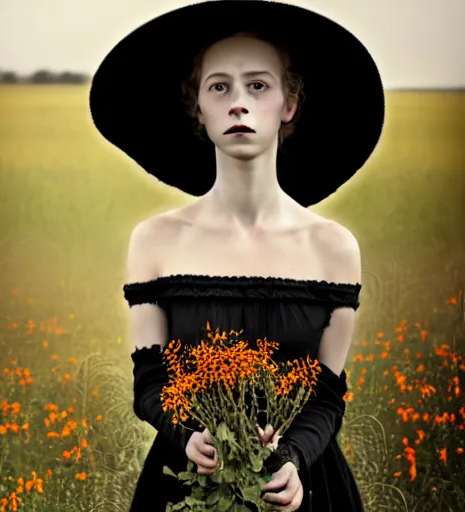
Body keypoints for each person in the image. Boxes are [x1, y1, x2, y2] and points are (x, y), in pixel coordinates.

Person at [90, 1, 384, 510]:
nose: (238, 104)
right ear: (198, 108)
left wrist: (291, 460)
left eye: (258, 85)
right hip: (185, 484)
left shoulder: (333, 247)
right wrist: (188, 437)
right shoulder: (154, 241)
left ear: (289, 105)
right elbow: (151, 381)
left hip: (307, 487)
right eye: (219, 86)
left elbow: (327, 394)